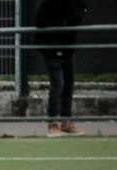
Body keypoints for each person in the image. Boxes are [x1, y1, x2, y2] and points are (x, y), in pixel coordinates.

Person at [34, 0, 88, 137]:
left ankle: (66, 122)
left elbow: (76, 17)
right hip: (51, 47)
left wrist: (70, 20)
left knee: (68, 84)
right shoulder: (48, 3)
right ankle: (52, 122)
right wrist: (60, 24)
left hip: (67, 47)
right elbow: (39, 21)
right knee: (58, 84)